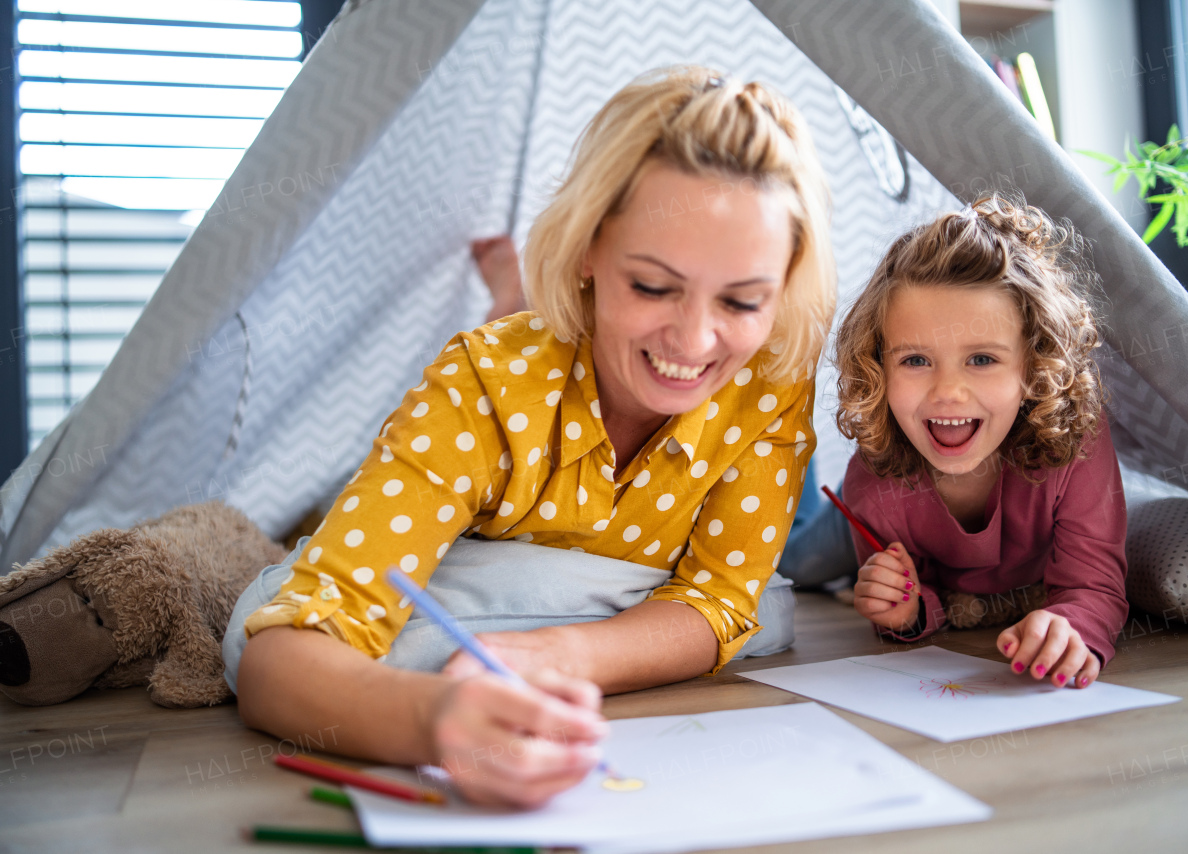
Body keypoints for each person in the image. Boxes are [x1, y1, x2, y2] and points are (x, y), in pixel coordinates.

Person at [231, 65, 836, 807]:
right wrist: (434, 722)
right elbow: (277, 657)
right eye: (652, 286)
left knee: (774, 607)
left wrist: (560, 652)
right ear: (588, 249)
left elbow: (724, 598)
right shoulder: (481, 384)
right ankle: (507, 295)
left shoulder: (773, 377)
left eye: (743, 300)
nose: (696, 338)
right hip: (515, 398)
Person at [784, 193, 1127, 689]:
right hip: (861, 511)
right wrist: (900, 610)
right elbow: (920, 598)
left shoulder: (1076, 444)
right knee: (800, 561)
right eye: (916, 360)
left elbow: (1093, 584)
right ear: (877, 368)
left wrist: (1073, 626)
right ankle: (800, 468)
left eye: (982, 359)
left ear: (1034, 368)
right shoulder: (872, 483)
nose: (947, 392)